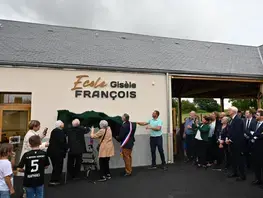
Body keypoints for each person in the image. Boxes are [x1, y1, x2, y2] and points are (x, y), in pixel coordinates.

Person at [226, 106, 246, 181]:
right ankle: (235, 172)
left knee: (239, 160)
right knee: (233, 159)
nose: (228, 111)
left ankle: (242, 176)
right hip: (232, 143)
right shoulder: (232, 119)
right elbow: (230, 131)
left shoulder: (238, 119)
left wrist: (230, 139)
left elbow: (237, 132)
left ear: (234, 111)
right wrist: (228, 138)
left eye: (229, 110)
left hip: (237, 143)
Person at [47, 120, 68, 186]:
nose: (63, 125)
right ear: (60, 125)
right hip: (58, 152)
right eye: (62, 124)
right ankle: (54, 180)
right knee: (58, 166)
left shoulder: (53, 131)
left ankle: (56, 178)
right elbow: (62, 142)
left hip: (52, 152)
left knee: (55, 166)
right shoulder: (60, 132)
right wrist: (66, 148)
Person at [251, 110, 263, 187]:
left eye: (258, 115)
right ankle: (258, 180)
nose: (256, 116)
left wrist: (255, 134)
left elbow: (260, 135)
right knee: (257, 165)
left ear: (262, 116)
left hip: (261, 148)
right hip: (255, 147)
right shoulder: (255, 123)